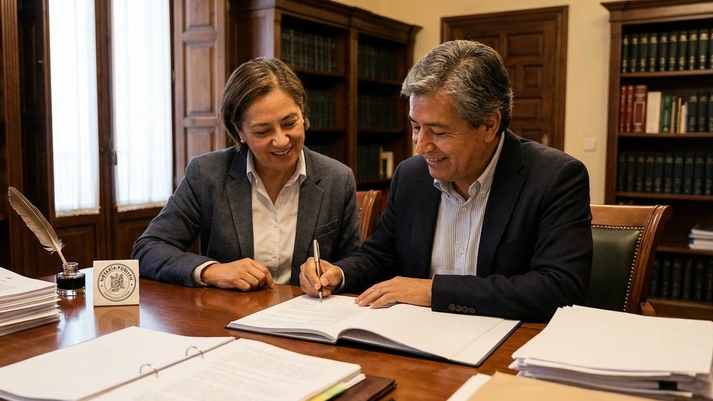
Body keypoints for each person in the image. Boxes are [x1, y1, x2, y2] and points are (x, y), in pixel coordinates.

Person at [299, 40, 593, 322]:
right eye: (416, 127)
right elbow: (380, 256)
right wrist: (338, 273)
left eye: (438, 132)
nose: (421, 146)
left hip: (508, 349)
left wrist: (433, 290)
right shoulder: (411, 175)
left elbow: (558, 288)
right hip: (418, 342)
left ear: (489, 124)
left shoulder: (555, 178)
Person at [133, 57, 361, 291]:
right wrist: (212, 271)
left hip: (307, 319)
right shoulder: (208, 174)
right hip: (227, 318)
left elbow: (356, 266)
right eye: (263, 131)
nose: (281, 140)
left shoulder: (337, 178)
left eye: (290, 123)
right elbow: (147, 249)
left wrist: (335, 274)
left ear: (302, 113)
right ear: (238, 129)